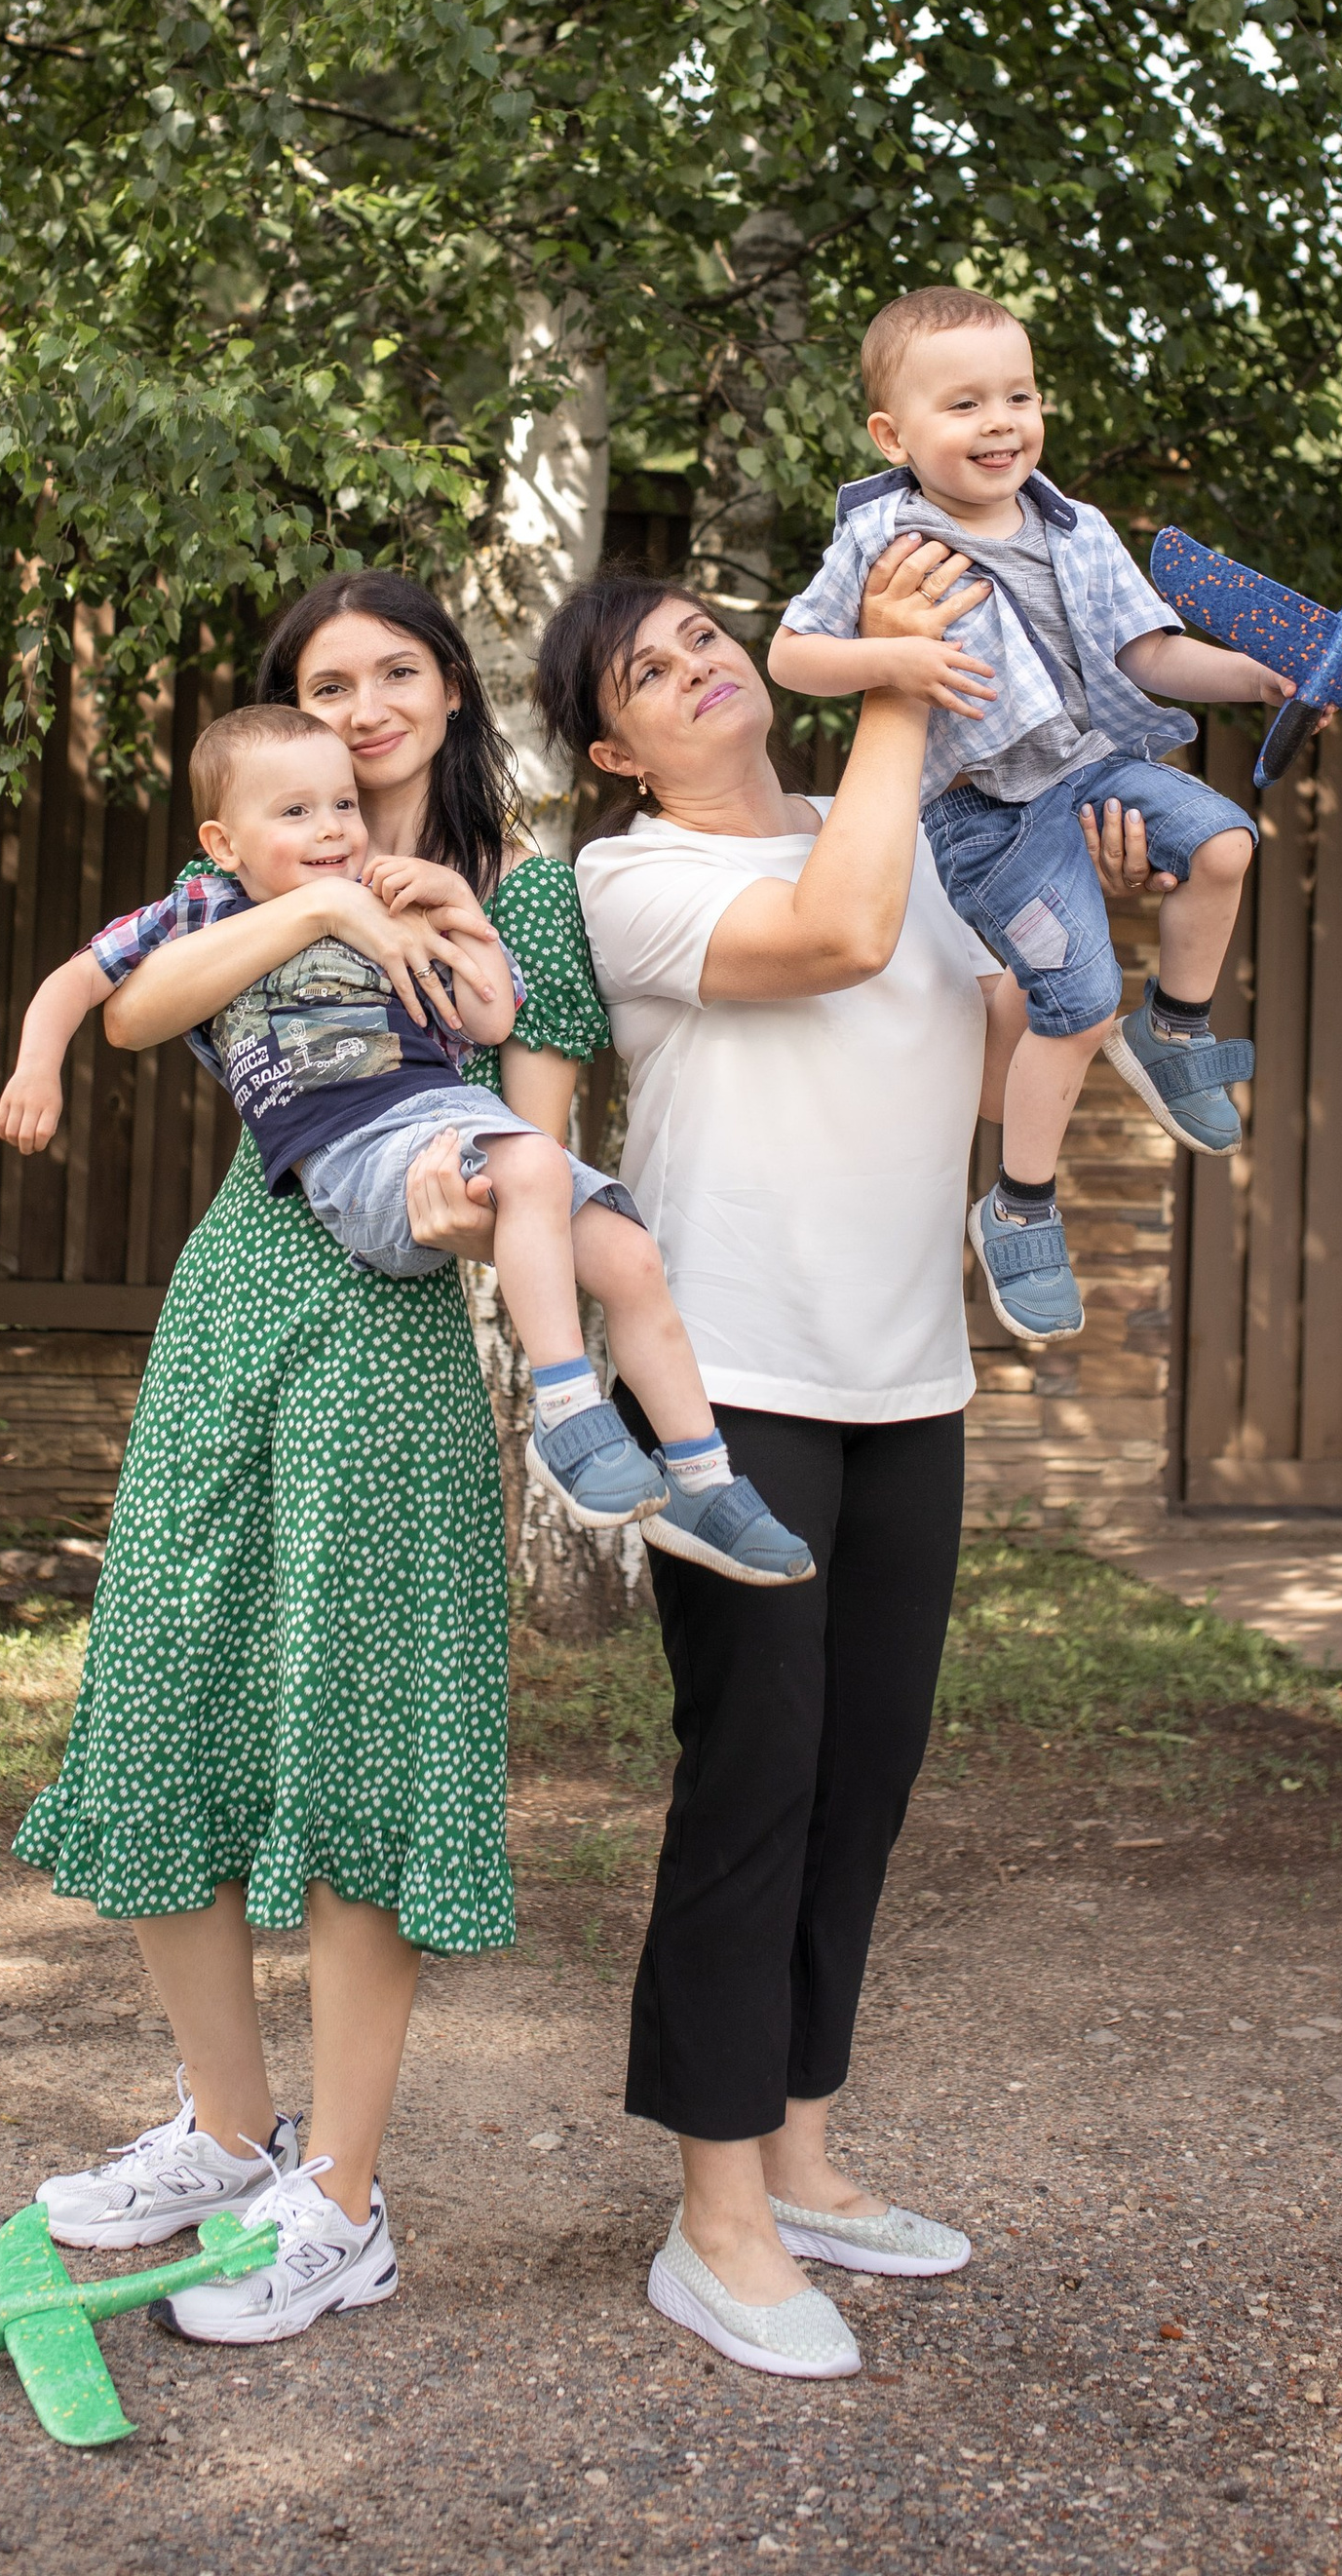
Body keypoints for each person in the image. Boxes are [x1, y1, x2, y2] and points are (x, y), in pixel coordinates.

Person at [540, 546, 1151, 2382]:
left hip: (909, 1378)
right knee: (756, 1776)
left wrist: (1080, 907)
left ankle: (800, 2155)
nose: (700, 668)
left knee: (863, 1777)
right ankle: (712, 2215)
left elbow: (989, 1032)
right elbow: (837, 940)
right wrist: (901, 679)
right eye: (651, 675)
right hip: (730, 1388)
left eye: (705, 636)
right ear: (616, 752)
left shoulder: (902, 829)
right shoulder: (630, 880)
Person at [6, 569, 607, 2347]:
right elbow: (131, 1011)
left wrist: (473, 1206)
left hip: (388, 1326)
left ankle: (341, 2199)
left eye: (395, 672)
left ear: (449, 694)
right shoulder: (248, 868)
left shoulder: (521, 895)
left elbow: (538, 1143)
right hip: (232, 1300)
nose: (363, 708)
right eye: (327, 682)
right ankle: (222, 2129)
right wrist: (321, 901)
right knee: (165, 1689)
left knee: (358, 1720)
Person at [0, 697, 814, 1581]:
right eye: (296, 811)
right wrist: (37, 1068)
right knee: (534, 1163)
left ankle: (701, 1480)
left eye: (342, 805)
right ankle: (567, 1411)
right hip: (353, 1152)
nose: (330, 828)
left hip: (444, 1120)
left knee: (629, 1253)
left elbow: (489, 1019)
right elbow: (82, 984)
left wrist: (461, 915)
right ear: (224, 843)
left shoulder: (390, 891)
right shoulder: (204, 905)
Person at [768, 282, 1293, 1347]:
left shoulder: (1076, 527)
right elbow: (791, 653)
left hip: (1089, 768)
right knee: (1078, 1002)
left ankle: (1176, 1027)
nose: (1001, 422)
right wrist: (892, 658)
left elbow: (1148, 654)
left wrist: (1253, 677)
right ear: (893, 435)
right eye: (964, 405)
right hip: (986, 819)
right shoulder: (882, 537)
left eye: (1019, 395)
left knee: (1226, 842)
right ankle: (1018, 1207)